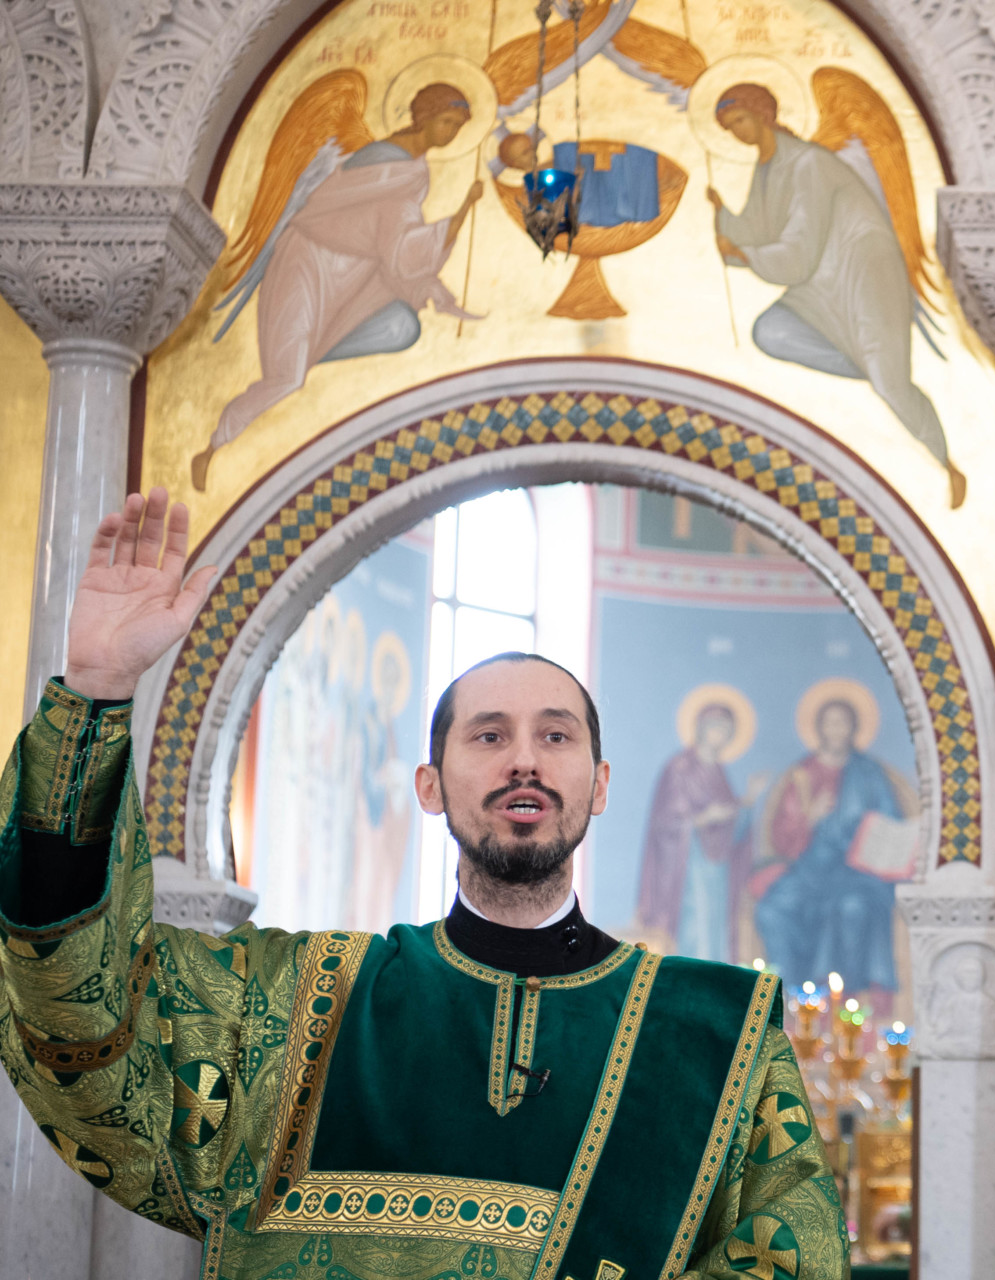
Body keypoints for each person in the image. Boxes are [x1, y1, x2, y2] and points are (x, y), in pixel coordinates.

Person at [0, 489, 850, 1279]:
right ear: (430, 786)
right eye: (488, 736)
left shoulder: (716, 1034)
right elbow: (88, 1016)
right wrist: (98, 689)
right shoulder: (291, 1003)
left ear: (599, 785)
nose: (524, 759)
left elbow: (789, 1260)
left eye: (556, 736)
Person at [196, 83, 485, 491]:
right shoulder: (384, 161)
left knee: (401, 327)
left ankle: (308, 354)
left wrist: (428, 277)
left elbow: (396, 245)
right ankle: (212, 448)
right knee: (287, 376)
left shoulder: (415, 172)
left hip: (351, 277)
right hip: (308, 262)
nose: (452, 132)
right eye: (447, 121)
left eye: (458, 126)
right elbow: (392, 241)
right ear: (424, 116)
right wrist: (461, 213)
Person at [705, 82, 966, 509]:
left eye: (740, 120)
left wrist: (746, 253)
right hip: (820, 284)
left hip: (863, 272)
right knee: (770, 331)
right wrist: (723, 217)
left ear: (763, 114)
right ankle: (875, 367)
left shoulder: (808, 163)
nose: (737, 132)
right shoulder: (767, 169)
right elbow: (756, 229)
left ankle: (947, 464)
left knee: (889, 382)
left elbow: (799, 248)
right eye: (729, 127)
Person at [752, 700, 906, 1011]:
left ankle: (846, 1007)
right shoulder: (802, 775)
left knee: (850, 907)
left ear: (854, 728)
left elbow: (891, 826)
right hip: (810, 870)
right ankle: (789, 1002)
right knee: (772, 909)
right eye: (830, 723)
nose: (836, 730)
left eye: (843, 723)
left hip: (858, 873)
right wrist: (810, 819)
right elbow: (781, 839)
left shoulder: (869, 774)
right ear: (819, 728)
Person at [637, 701, 750, 960]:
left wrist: (746, 806)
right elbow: (665, 821)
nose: (720, 735)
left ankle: (712, 975)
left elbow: (730, 826)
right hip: (688, 864)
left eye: (726, 730)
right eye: (716, 727)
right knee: (694, 920)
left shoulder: (718, 771)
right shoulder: (680, 767)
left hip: (717, 868)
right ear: (701, 728)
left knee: (714, 923)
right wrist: (704, 817)